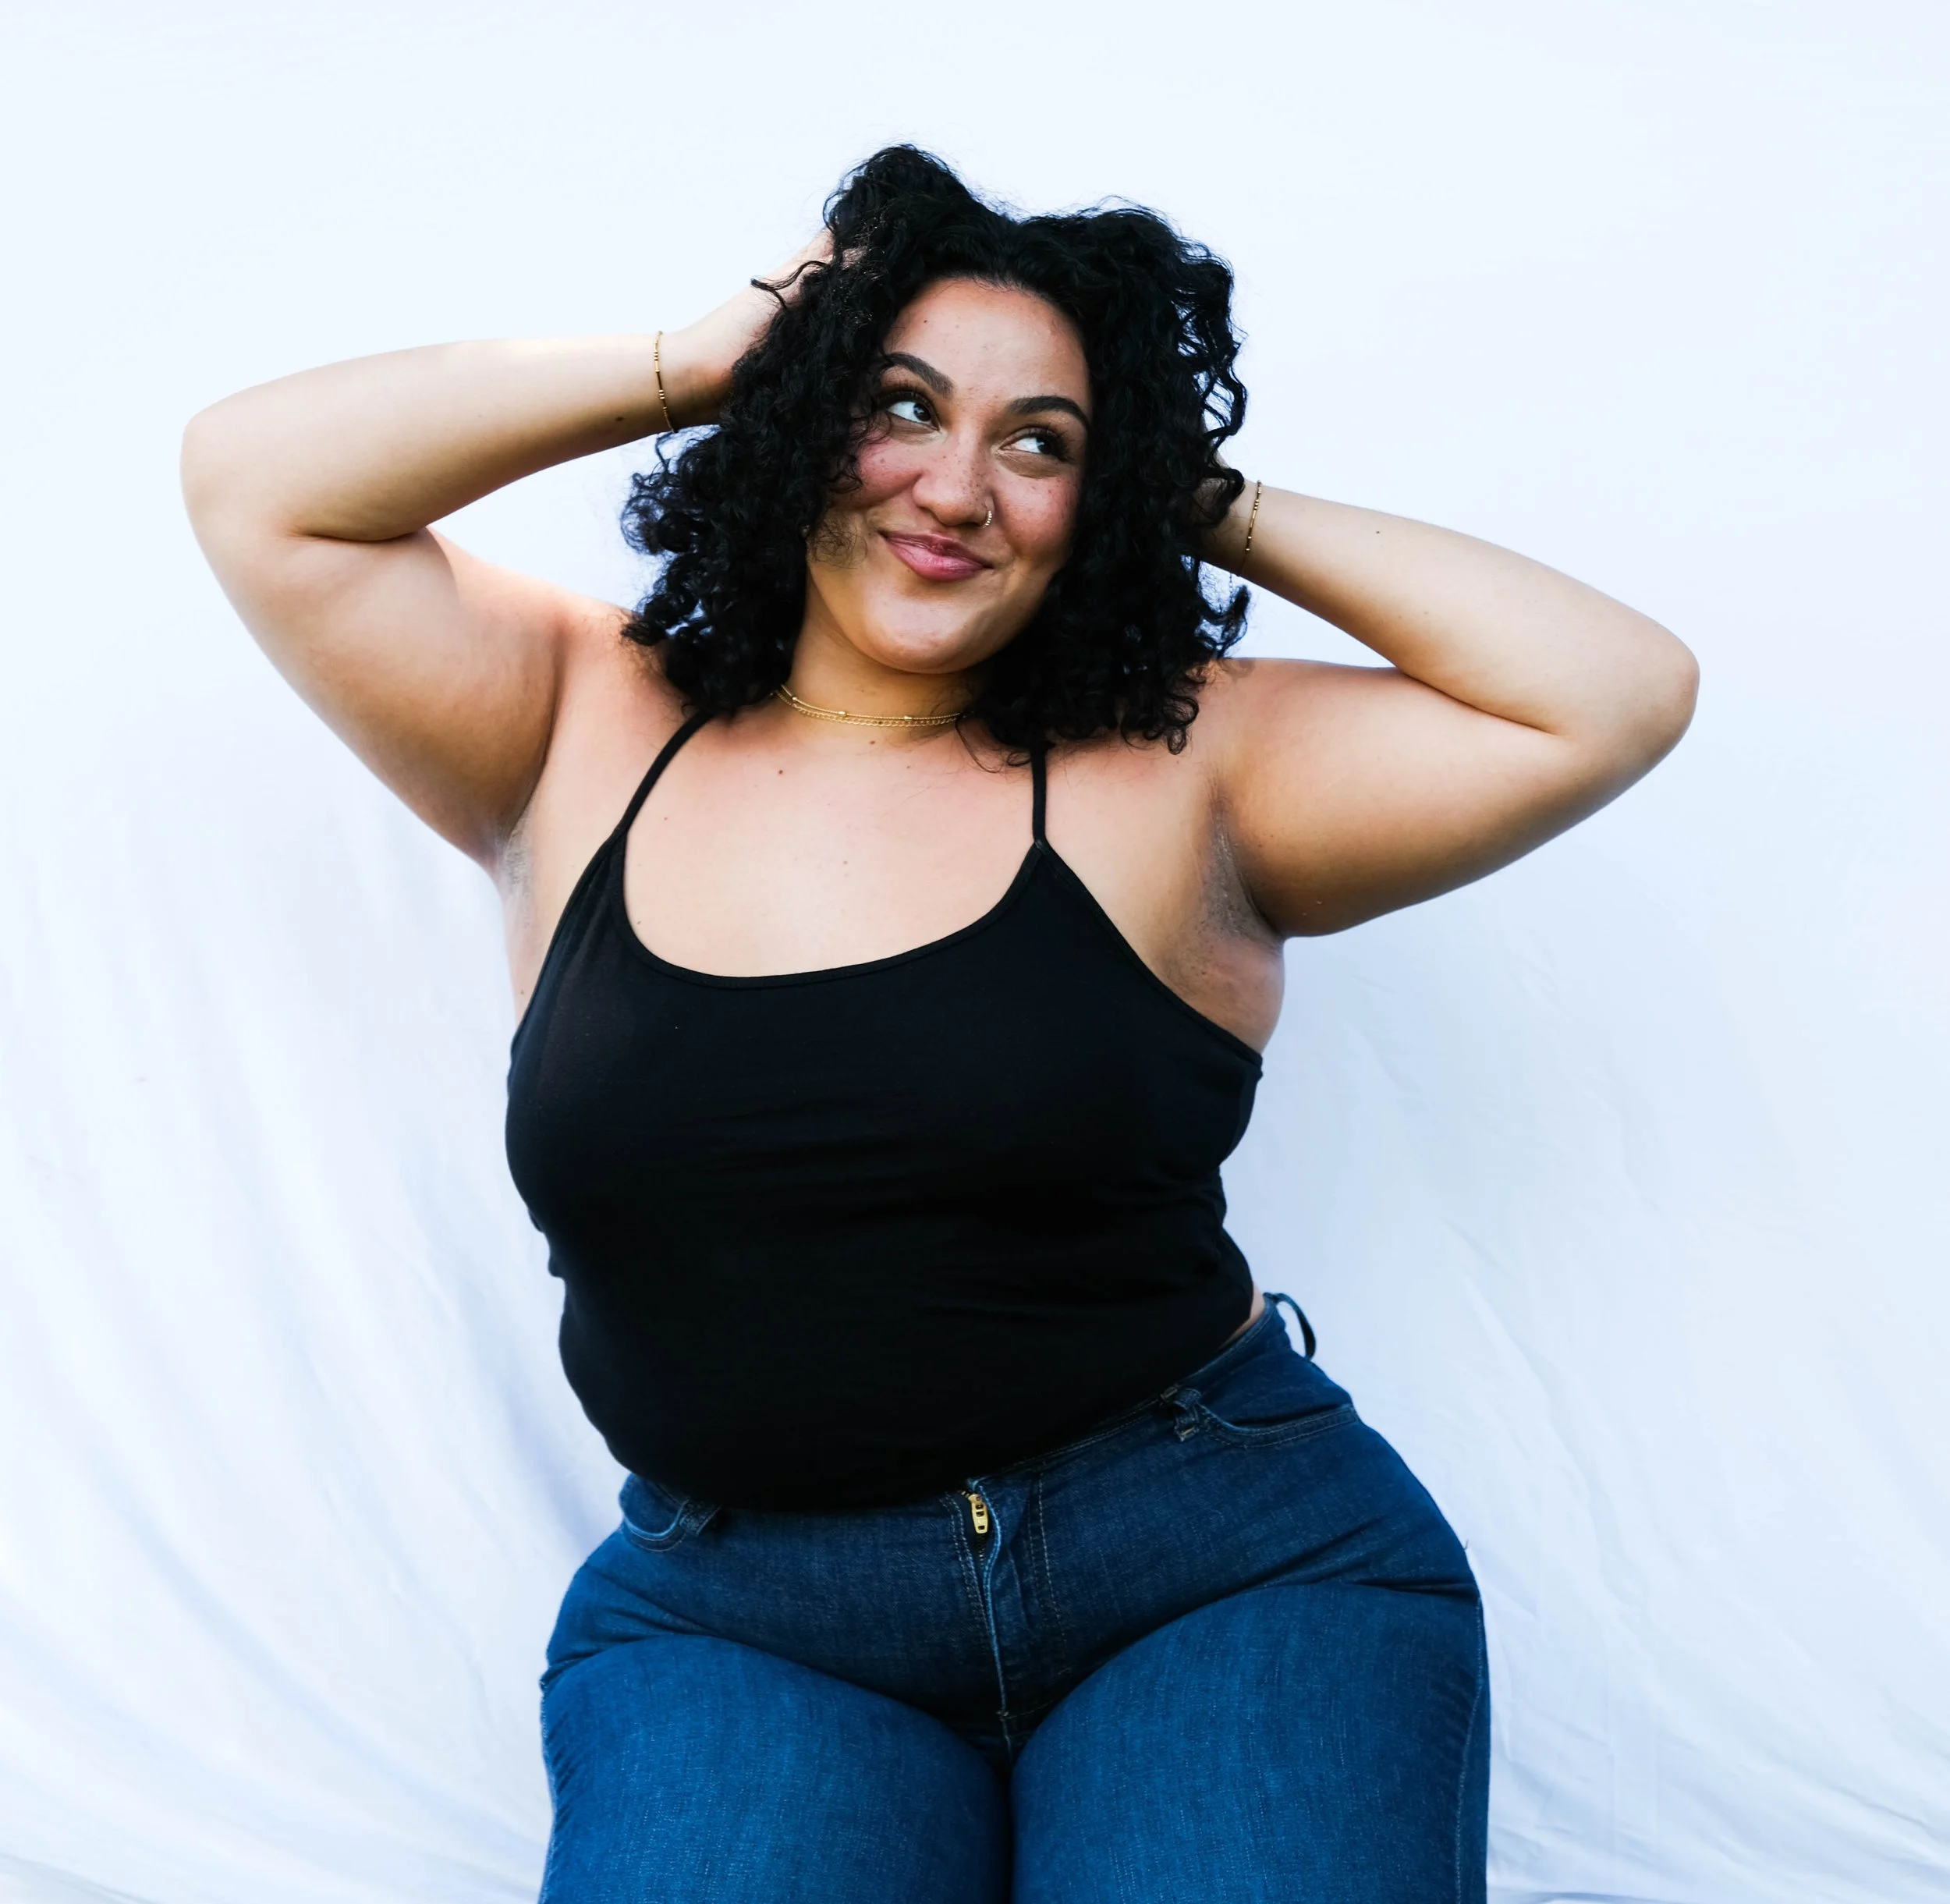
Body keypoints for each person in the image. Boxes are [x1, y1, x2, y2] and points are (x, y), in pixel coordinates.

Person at [181, 147, 1697, 1903]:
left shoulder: (1196, 760)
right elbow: (255, 479)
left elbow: (1610, 690)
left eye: (1037, 442)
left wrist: (1170, 483)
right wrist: (711, 348)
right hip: (746, 1616)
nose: (956, 486)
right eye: (896, 406)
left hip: (1216, 1570)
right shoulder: (572, 714)